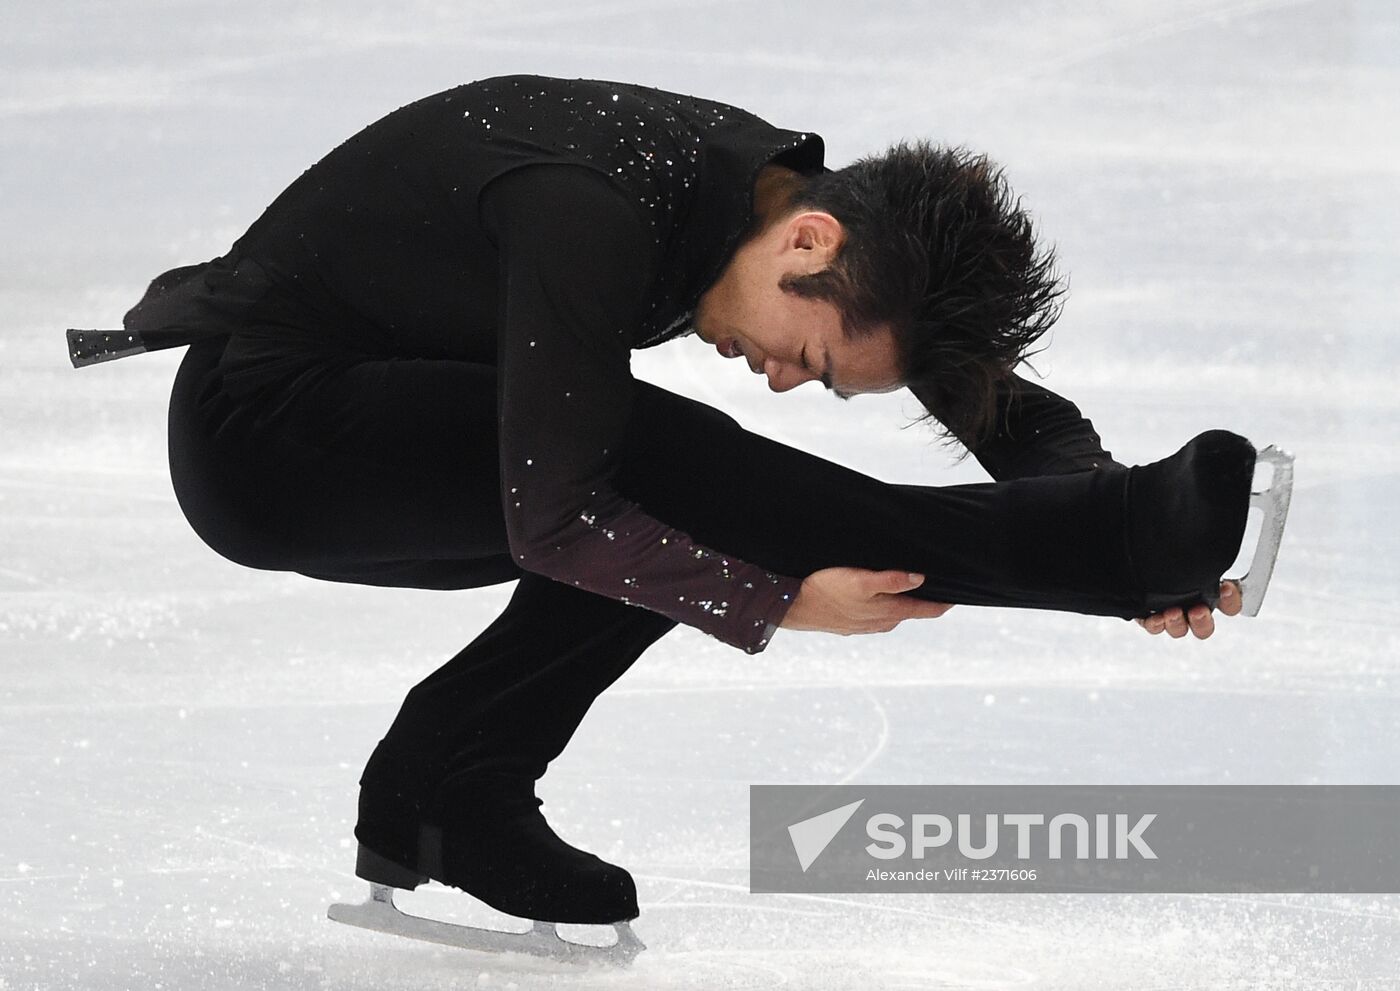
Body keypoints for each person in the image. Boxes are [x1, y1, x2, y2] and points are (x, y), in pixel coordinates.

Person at [66, 74, 1259, 934]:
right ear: (807, 240)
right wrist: (772, 598)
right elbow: (555, 518)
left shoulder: (782, 211)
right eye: (816, 360)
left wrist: (1107, 519)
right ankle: (452, 775)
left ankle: (446, 785)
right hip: (268, 440)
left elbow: (995, 404)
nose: (791, 381)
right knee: (655, 469)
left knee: (659, 474)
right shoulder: (588, 212)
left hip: (388, 405)